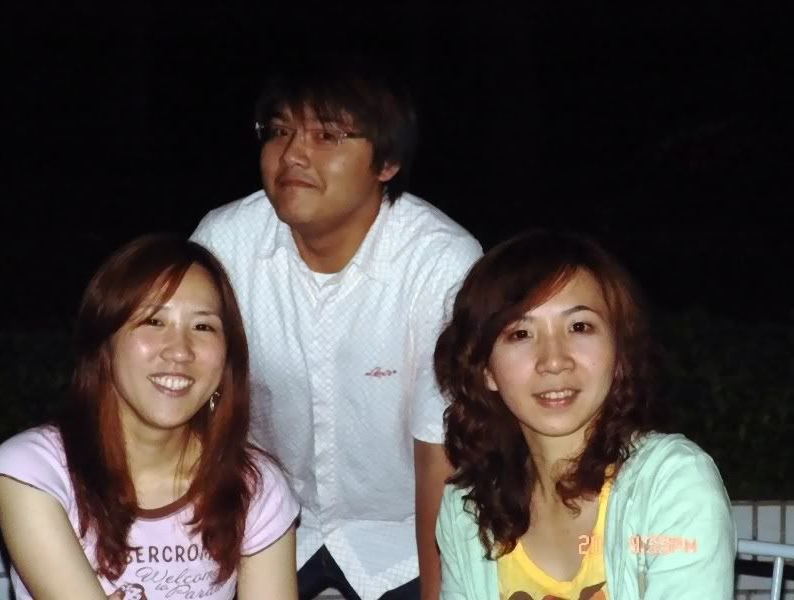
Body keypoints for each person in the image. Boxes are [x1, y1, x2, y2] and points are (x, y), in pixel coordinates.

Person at [191, 57, 482, 600]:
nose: (292, 154)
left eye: (327, 136)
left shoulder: (440, 263)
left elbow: (440, 454)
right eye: (279, 131)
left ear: (387, 162)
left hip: (402, 534)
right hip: (264, 522)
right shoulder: (225, 242)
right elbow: (188, 407)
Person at [433, 230, 736, 600]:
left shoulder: (672, 484)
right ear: (485, 369)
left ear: (618, 351)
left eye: (579, 327)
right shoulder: (468, 511)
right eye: (521, 333)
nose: (553, 361)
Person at [0, 235, 300, 599]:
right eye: (154, 321)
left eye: (203, 327)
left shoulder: (254, 486)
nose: (180, 351)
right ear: (104, 342)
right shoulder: (33, 471)